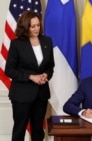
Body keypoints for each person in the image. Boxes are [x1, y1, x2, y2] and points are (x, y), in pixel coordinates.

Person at [4, 11, 55, 141]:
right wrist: (31, 77)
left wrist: (46, 75)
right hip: (22, 94)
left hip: (41, 94)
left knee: (38, 130)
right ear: (25, 26)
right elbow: (9, 70)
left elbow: (50, 66)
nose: (37, 28)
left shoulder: (47, 41)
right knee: (19, 130)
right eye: (33, 26)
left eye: (38, 25)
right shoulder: (17, 44)